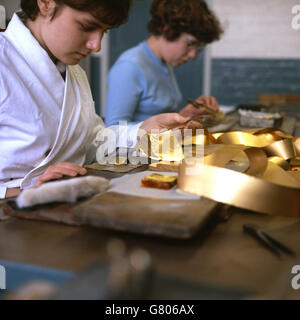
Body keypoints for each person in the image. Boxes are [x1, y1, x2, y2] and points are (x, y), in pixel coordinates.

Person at [0, 0, 201, 199]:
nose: (96, 46)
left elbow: (90, 142)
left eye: (103, 32)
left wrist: (140, 131)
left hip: (63, 206)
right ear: (45, 3)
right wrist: (22, 192)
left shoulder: (74, 73)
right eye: (86, 26)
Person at [105, 0, 223, 128]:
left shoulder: (162, 63)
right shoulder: (129, 66)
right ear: (168, 30)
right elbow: (113, 130)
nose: (192, 55)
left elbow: (157, 119)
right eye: (190, 44)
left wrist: (185, 115)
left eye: (197, 48)